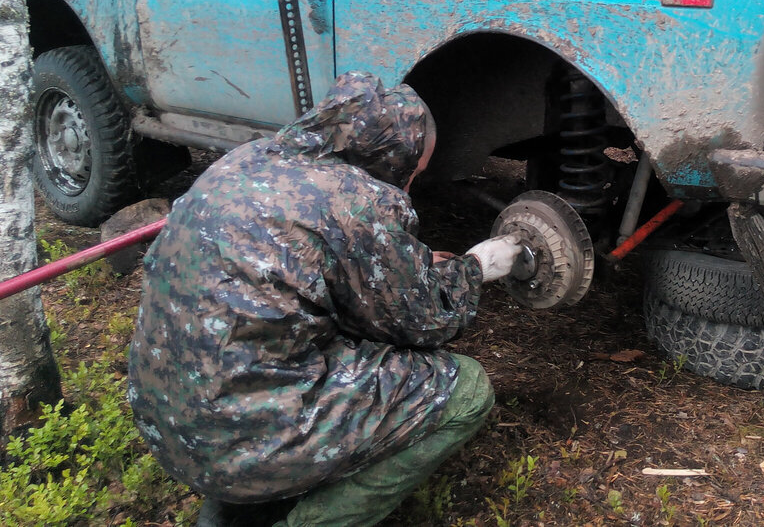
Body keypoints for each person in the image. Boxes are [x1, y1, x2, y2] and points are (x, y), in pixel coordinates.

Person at [128, 72, 524, 527]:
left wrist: (400, 264)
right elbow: (425, 320)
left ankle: (233, 511)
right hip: (236, 442)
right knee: (467, 389)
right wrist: (475, 267)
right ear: (392, 157)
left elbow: (301, 268)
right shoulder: (358, 201)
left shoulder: (247, 159)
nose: (411, 184)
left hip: (165, 417)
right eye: (414, 171)